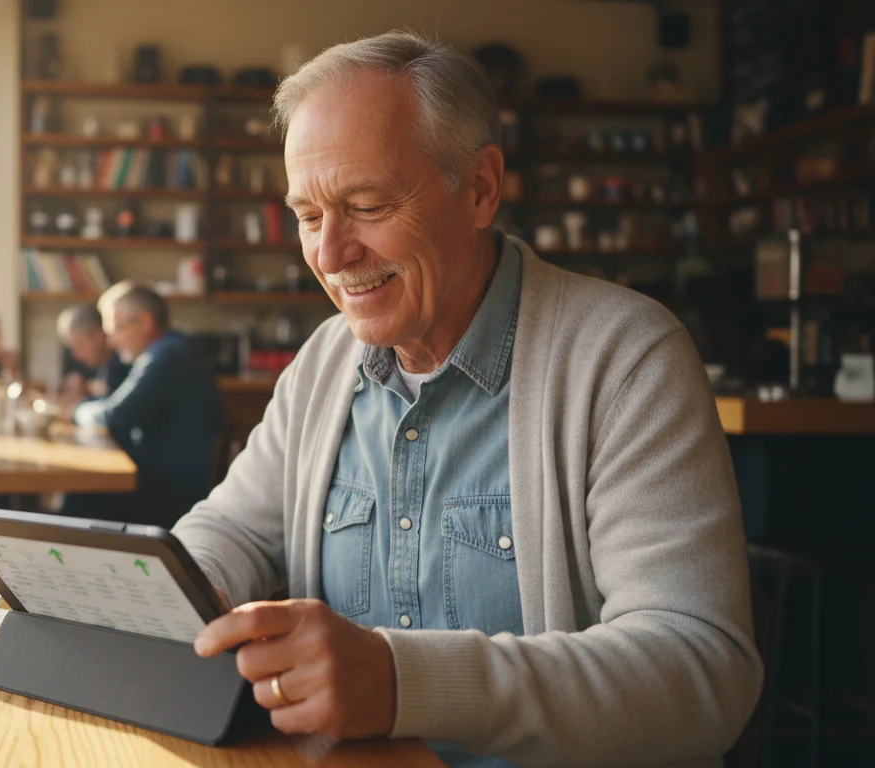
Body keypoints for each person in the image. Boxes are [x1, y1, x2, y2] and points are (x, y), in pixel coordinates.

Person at [172, 32, 760, 767]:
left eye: (366, 204)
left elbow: (701, 669)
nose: (328, 255)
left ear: (479, 189)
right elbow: (231, 532)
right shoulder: (326, 360)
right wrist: (171, 596)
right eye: (308, 215)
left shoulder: (625, 359)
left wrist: (402, 682)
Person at [72, 281, 221, 527]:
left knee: (78, 501)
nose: (111, 342)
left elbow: (116, 415)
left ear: (145, 322)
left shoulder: (166, 356)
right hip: (160, 483)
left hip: (166, 494)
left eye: (117, 329)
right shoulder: (166, 351)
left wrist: (77, 411)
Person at [56, 303, 130, 403]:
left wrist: (77, 408)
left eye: (79, 345)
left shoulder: (125, 363)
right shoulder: (102, 365)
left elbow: (112, 412)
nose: (76, 355)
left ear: (99, 335)